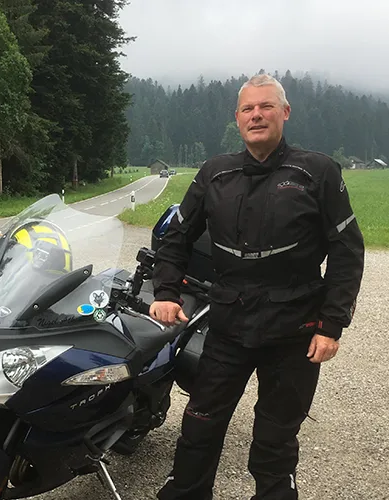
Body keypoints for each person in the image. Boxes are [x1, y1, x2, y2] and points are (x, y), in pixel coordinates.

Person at [150, 74, 365, 500]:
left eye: (266, 106)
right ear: (237, 118)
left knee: (275, 438)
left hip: (295, 328)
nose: (257, 115)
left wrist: (332, 324)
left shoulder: (317, 171)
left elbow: (347, 250)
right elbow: (176, 236)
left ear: (284, 112)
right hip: (228, 325)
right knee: (199, 425)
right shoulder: (214, 173)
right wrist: (166, 293)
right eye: (248, 109)